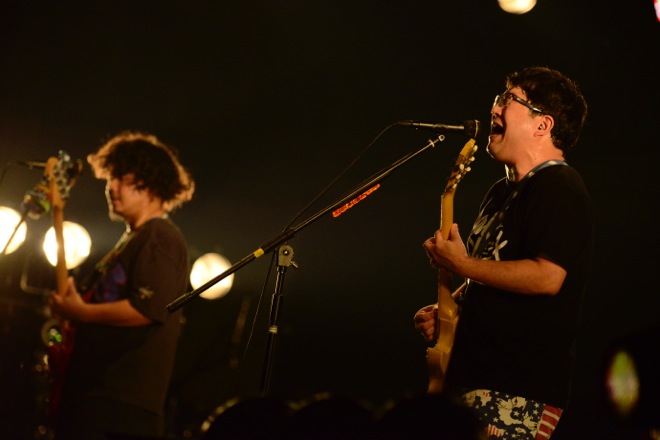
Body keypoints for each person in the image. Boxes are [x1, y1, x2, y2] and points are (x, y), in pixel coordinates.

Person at [414, 66, 593, 439]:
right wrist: (450, 309)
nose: (494, 108)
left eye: (509, 100)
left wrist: (462, 264)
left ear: (542, 124)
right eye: (499, 98)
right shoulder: (499, 192)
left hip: (516, 388)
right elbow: (492, 271)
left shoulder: (559, 186)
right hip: (470, 379)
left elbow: (547, 277)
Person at [48, 130, 195, 439]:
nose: (111, 187)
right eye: (110, 178)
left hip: (120, 407)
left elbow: (147, 309)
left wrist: (81, 312)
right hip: (95, 398)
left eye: (123, 179)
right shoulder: (132, 240)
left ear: (152, 184)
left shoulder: (159, 237)